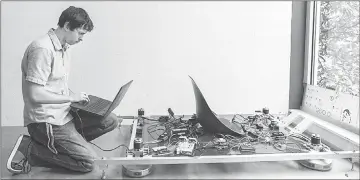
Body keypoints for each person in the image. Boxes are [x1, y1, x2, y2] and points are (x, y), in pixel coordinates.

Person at [7, 6, 121, 174]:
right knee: (88, 163)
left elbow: (55, 86)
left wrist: (78, 100)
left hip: (64, 114)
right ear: (67, 26)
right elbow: (35, 95)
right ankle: (31, 148)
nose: (82, 39)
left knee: (111, 120)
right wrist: (71, 98)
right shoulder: (42, 49)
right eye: (81, 33)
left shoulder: (63, 47)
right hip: (46, 121)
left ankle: (67, 146)